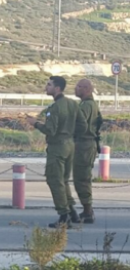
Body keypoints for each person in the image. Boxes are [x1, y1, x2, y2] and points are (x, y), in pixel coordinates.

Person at [31, 76, 79, 228]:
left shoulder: (54, 108)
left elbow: (50, 130)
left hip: (57, 147)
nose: (46, 87)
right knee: (64, 181)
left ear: (57, 88)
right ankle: (72, 212)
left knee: (54, 180)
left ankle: (63, 216)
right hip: (70, 145)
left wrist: (36, 124)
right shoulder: (73, 104)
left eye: (49, 85)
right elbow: (81, 124)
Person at [72, 79, 101, 224]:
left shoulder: (87, 105)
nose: (75, 89)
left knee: (81, 178)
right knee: (81, 178)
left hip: (84, 145)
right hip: (86, 144)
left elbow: (79, 124)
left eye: (79, 87)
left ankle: (88, 211)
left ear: (87, 89)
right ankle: (87, 209)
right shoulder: (88, 104)